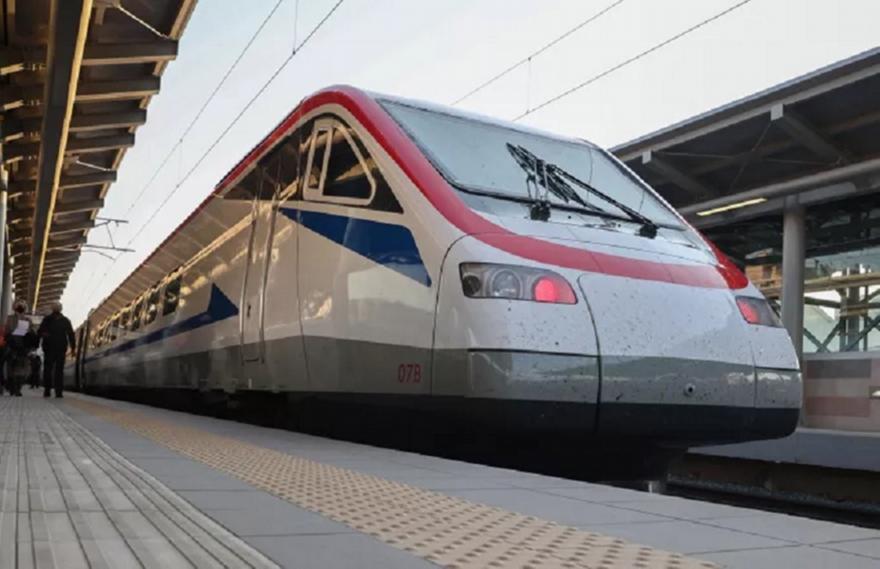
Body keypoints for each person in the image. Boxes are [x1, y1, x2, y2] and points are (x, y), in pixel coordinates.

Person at [38, 302, 75, 398]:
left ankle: (48, 390)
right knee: (58, 370)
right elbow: (71, 335)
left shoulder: (47, 320)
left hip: (53, 348)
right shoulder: (65, 320)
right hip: (56, 348)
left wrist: (44, 335)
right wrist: (73, 348)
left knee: (49, 370)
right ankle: (58, 392)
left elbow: (40, 332)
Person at [4, 300, 34, 396]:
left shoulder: (27, 320)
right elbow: (7, 331)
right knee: (13, 367)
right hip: (14, 346)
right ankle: (14, 388)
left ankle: (16, 387)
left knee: (20, 368)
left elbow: (31, 333)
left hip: (21, 347)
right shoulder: (11, 318)